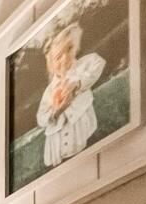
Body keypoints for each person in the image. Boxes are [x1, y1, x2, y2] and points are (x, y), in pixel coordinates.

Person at [36, 22, 106, 168]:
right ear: (50, 63)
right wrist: (55, 113)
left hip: (81, 127)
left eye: (69, 49)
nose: (64, 59)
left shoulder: (82, 67)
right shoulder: (50, 91)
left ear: (75, 48)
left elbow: (98, 63)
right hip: (56, 142)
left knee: (85, 154)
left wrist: (77, 84)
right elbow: (41, 118)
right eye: (58, 56)